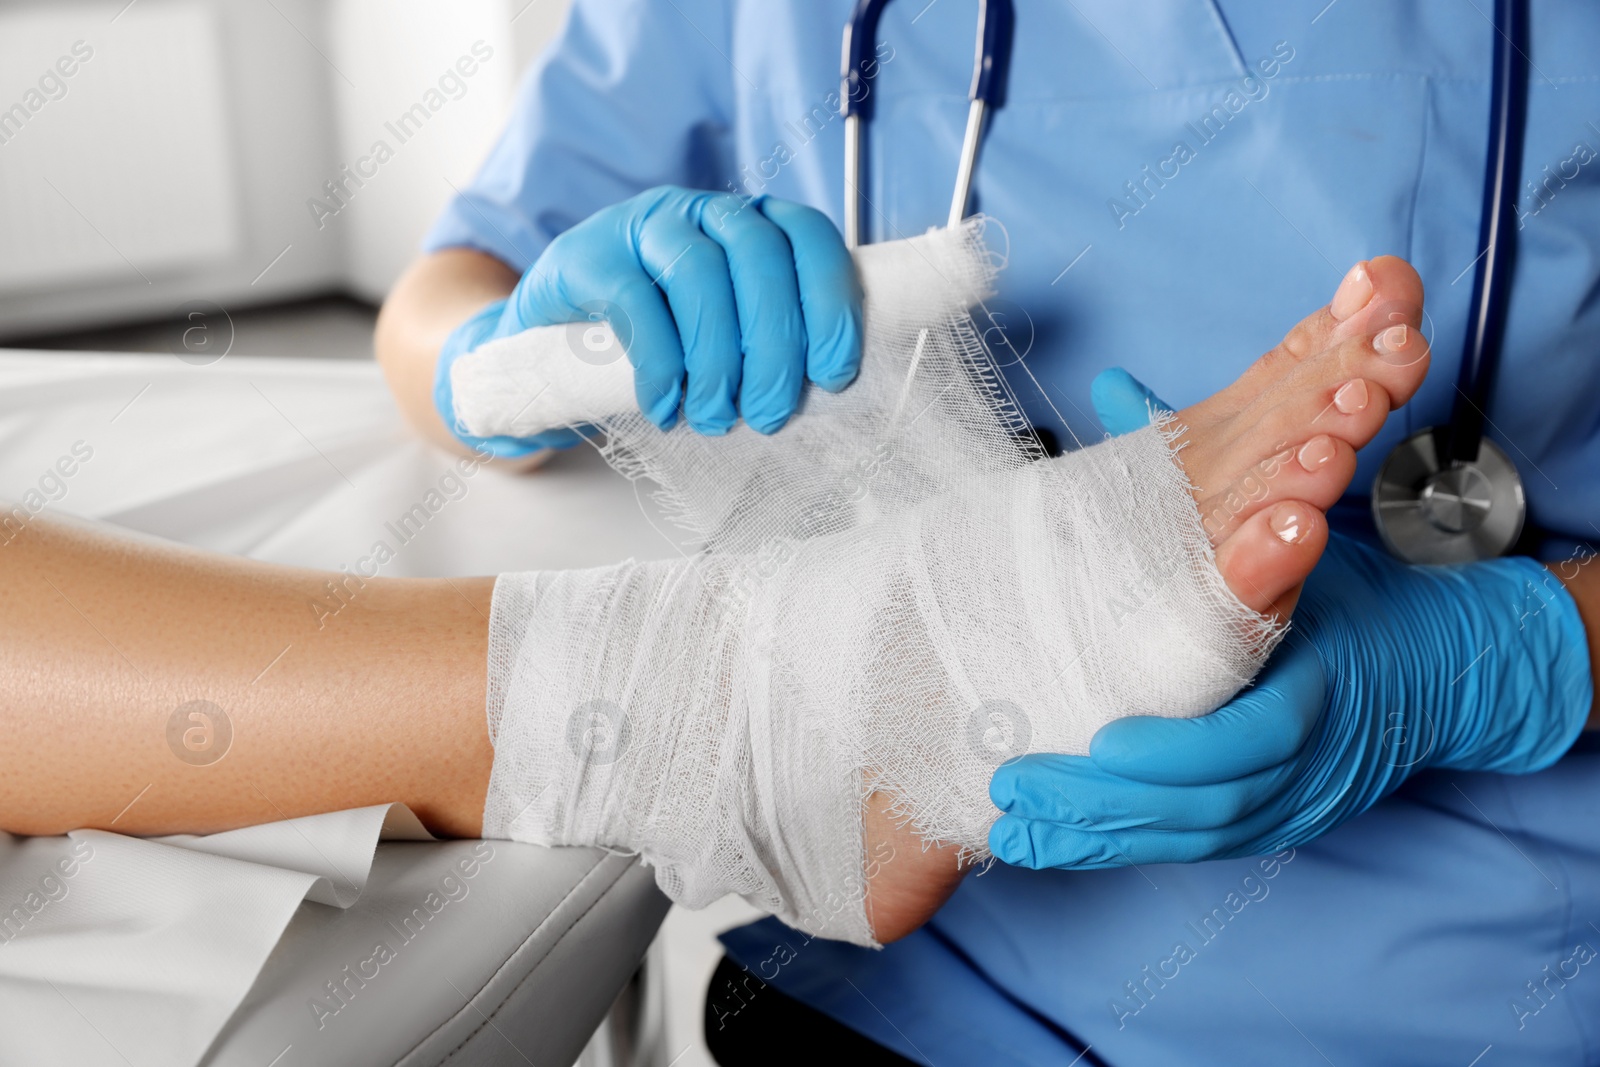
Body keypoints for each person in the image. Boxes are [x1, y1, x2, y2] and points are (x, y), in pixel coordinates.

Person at [373, 1, 1600, 1063]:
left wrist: (1508, 655)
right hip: (927, 977)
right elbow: (436, 305)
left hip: (1484, 986)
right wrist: (505, 361)